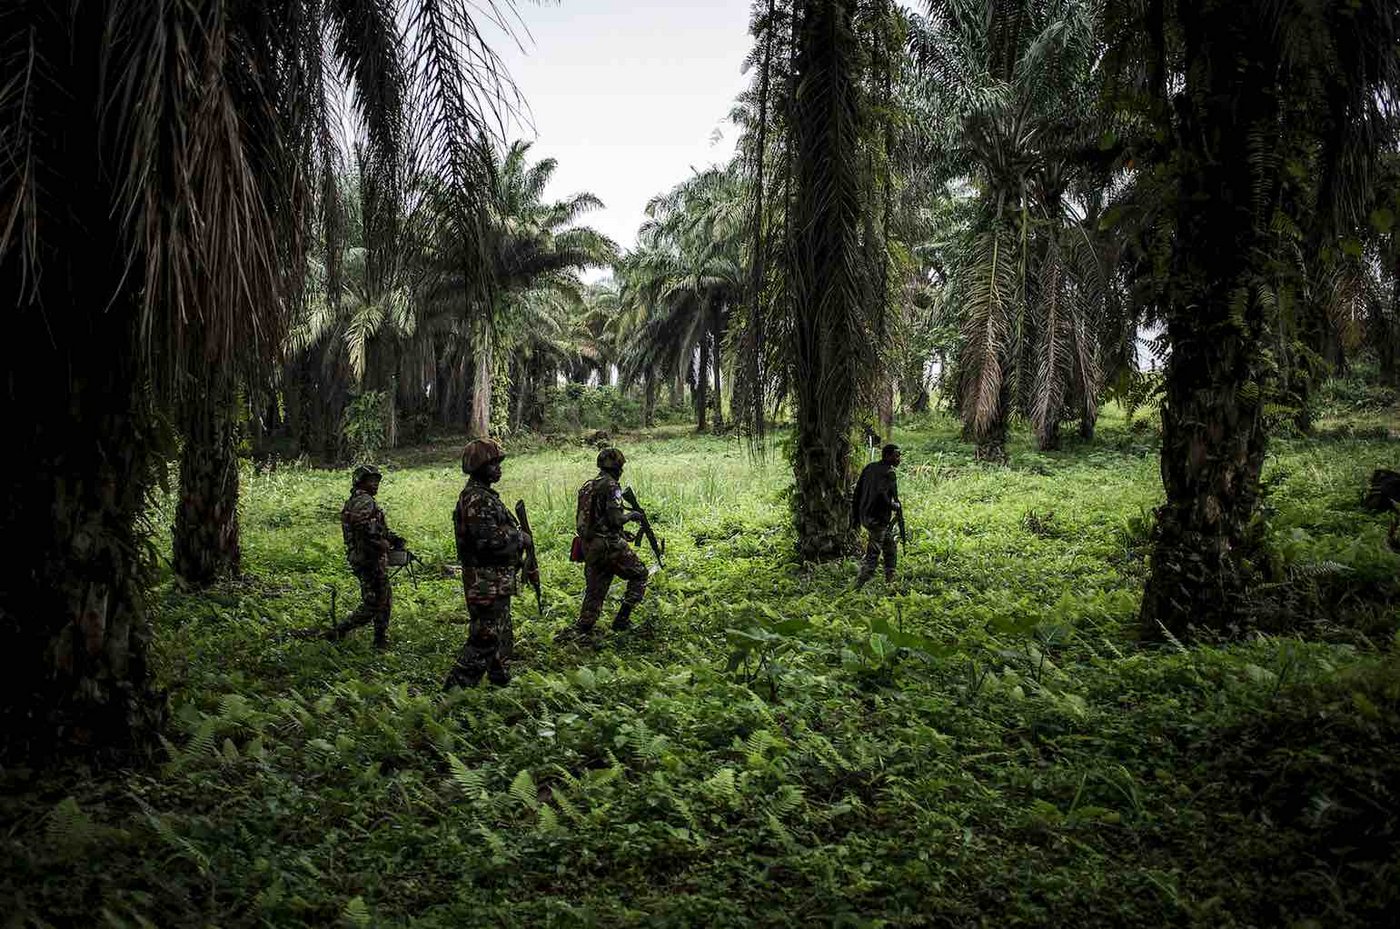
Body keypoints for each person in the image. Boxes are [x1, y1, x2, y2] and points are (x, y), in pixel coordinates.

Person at [445, 439, 530, 689]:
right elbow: (488, 540)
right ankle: (452, 692)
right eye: (493, 463)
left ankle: (500, 681)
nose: (499, 468)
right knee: (485, 637)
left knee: (501, 633)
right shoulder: (477, 499)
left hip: (494, 578)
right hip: (485, 579)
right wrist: (520, 537)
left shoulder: (484, 496)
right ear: (479, 466)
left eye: (499, 463)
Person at [561, 447, 649, 641]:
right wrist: (632, 515)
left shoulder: (588, 486)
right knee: (640, 573)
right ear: (617, 467)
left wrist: (621, 533)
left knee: (595, 589)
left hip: (589, 546)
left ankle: (584, 628)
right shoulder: (611, 486)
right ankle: (622, 619)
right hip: (609, 546)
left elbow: (596, 518)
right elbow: (616, 519)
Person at [333, 464, 403, 648]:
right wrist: (384, 544)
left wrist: (393, 538)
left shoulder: (358, 501)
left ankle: (380, 640)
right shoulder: (364, 501)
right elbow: (365, 530)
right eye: (371, 480)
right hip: (368, 559)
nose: (376, 484)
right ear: (360, 482)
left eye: (377, 480)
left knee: (384, 598)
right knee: (374, 602)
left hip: (366, 557)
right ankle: (341, 630)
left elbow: (375, 527)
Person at [852, 443, 903, 589]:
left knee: (890, 546)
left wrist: (856, 515)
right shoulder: (888, 473)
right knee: (873, 555)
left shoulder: (870, 467)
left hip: (865, 516)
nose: (899, 459)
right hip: (877, 519)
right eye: (896, 455)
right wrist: (894, 505)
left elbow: (857, 492)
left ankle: (890, 580)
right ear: (887, 456)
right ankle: (857, 587)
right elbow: (881, 495)